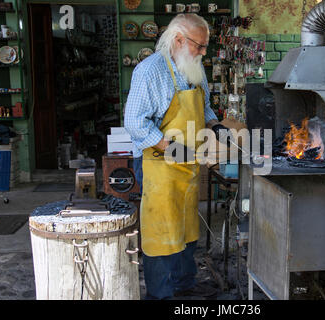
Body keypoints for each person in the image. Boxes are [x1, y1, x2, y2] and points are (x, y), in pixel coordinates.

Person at [124, 13, 230, 300]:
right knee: (163, 229)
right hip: (159, 163)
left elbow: (205, 107)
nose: (203, 52)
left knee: (186, 225)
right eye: (200, 45)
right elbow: (134, 122)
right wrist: (169, 146)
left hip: (187, 163)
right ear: (179, 40)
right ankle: (161, 293)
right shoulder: (150, 71)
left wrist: (217, 126)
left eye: (206, 46)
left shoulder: (195, 67)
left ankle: (185, 285)